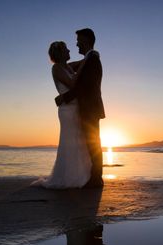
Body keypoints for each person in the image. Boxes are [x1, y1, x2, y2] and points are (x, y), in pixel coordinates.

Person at [32, 41, 92, 189]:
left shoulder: (67, 66)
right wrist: (83, 68)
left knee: (79, 141)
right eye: (66, 49)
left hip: (75, 107)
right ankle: (68, 178)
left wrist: (91, 55)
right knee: (70, 141)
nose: (69, 50)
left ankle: (81, 175)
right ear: (60, 53)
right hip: (67, 110)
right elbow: (72, 83)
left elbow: (83, 62)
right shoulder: (57, 68)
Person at [55, 28, 105, 188]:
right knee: (90, 143)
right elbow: (65, 68)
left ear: (85, 40)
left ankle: (96, 179)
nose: (76, 44)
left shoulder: (91, 60)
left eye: (78, 40)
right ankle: (93, 176)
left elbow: (84, 86)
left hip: (90, 107)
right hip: (86, 107)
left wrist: (64, 97)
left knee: (94, 143)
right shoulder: (89, 58)